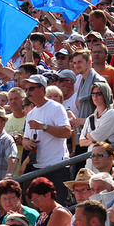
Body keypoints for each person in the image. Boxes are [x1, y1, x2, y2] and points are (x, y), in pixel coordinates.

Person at [22, 74, 72, 202]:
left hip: (56, 166)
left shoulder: (56, 107)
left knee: (59, 205)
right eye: (26, 89)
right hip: (38, 168)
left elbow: (67, 132)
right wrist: (28, 143)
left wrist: (43, 126)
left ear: (42, 89)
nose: (28, 92)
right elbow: (25, 140)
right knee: (42, 209)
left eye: (31, 89)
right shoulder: (31, 113)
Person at [78, 82, 114, 149]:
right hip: (91, 158)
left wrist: (87, 136)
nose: (95, 96)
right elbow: (81, 142)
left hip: (107, 157)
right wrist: (94, 139)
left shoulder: (112, 115)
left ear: (105, 95)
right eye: (93, 94)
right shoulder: (90, 118)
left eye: (98, 94)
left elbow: (96, 137)